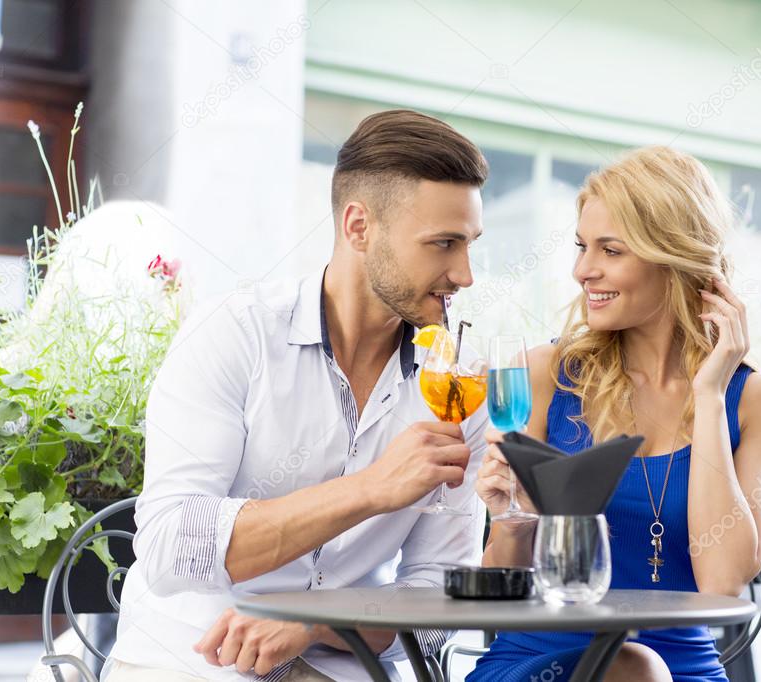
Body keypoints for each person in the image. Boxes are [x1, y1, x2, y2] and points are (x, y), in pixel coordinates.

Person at [103, 109, 491, 681]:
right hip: (190, 660)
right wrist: (370, 489)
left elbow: (442, 596)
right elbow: (170, 545)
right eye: (442, 244)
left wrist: (318, 621)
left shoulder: (455, 391)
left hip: (345, 665)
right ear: (359, 227)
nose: (464, 273)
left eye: (469, 244)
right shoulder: (236, 334)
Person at [470, 146, 761, 682]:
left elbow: (720, 583)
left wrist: (710, 394)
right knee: (634, 668)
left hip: (683, 667)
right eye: (581, 247)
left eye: (610, 250)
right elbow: (500, 586)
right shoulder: (545, 374)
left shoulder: (760, 402)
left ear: (674, 257)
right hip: (537, 661)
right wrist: (512, 516)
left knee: (641, 668)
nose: (582, 270)